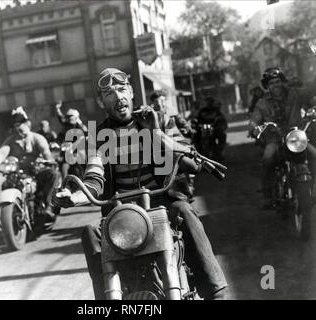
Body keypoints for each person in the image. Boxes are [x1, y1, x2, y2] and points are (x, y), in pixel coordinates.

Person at [55, 67, 227, 300]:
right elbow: (94, 180)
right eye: (109, 93)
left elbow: (190, 163)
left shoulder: (160, 120)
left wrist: (155, 132)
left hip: (163, 205)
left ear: (132, 92)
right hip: (121, 214)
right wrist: (74, 197)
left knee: (184, 211)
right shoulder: (97, 136)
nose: (118, 96)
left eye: (122, 89)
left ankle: (215, 291)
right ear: (101, 101)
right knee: (90, 233)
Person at [248, 67, 316, 208]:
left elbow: (310, 90)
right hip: (275, 139)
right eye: (272, 83)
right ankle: (267, 195)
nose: (275, 85)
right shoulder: (262, 103)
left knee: (314, 154)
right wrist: (254, 128)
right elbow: (255, 119)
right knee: (268, 157)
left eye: (278, 81)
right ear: (267, 86)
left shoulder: (295, 94)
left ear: (283, 82)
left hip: (295, 136)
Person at [0, 106, 59, 216]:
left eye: (21, 124)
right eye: (16, 125)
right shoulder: (10, 141)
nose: (19, 128)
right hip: (19, 172)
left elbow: (46, 153)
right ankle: (11, 213)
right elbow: (1, 153)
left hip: (37, 170)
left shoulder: (37, 138)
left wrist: (49, 160)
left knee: (53, 174)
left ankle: (49, 206)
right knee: (6, 184)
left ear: (28, 124)